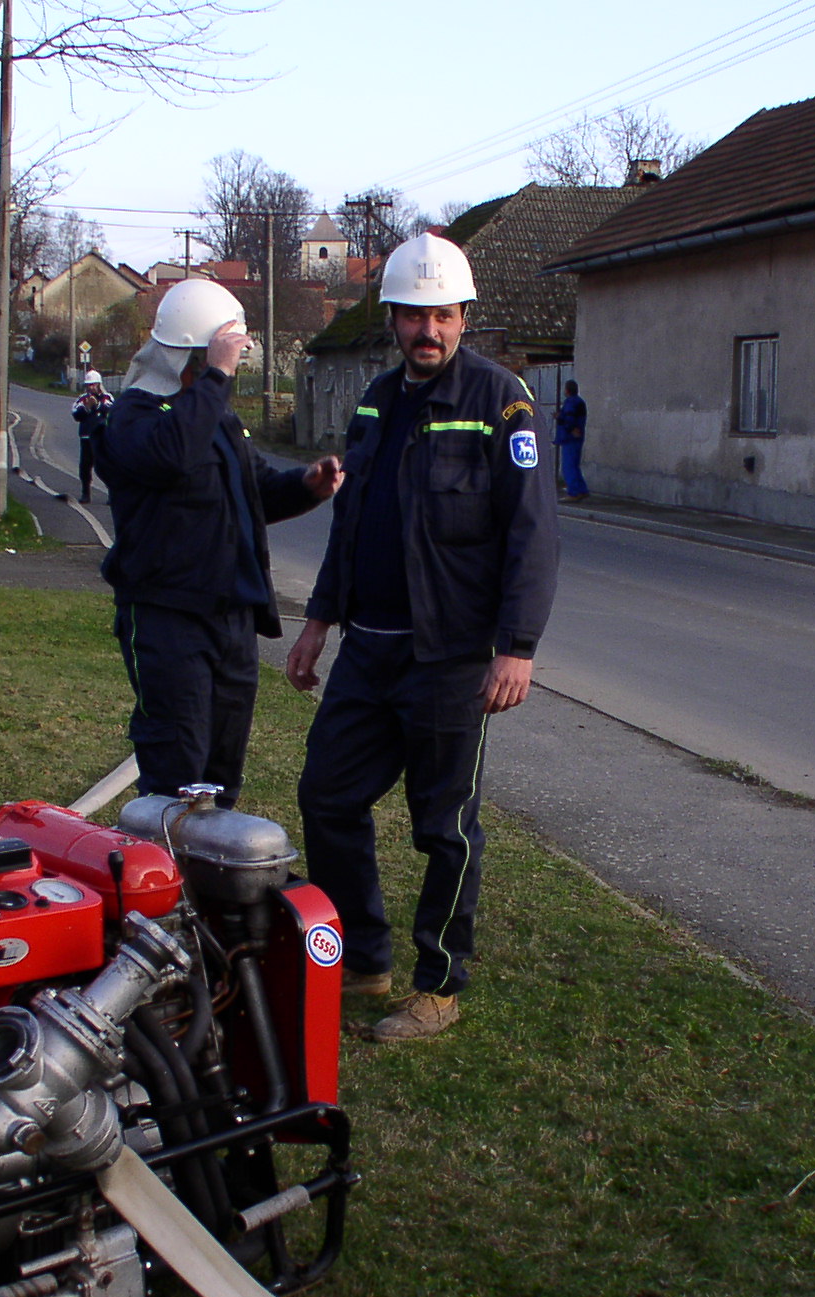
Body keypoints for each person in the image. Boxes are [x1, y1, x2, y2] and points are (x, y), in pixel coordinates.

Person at [284, 233, 560, 1043]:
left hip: (451, 657)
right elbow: (352, 525)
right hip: (368, 649)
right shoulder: (374, 401)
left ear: (464, 317)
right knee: (327, 796)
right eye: (413, 316)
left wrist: (518, 645)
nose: (427, 331)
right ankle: (363, 959)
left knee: (444, 827)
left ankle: (438, 984)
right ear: (394, 319)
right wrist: (317, 622)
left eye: (443, 315)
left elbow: (533, 533)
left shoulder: (502, 402)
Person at [96, 280, 344, 806]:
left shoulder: (215, 416)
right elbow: (172, 456)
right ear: (186, 355)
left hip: (231, 620)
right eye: (212, 358)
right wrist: (217, 375)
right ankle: (169, 879)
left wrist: (306, 486)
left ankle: (214, 878)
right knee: (176, 771)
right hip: (168, 618)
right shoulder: (135, 416)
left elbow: (251, 493)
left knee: (221, 775)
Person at [71, 370, 114, 504]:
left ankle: (111, 494)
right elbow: (76, 415)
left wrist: (98, 405)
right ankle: (85, 493)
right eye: (89, 385)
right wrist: (87, 407)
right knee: (85, 466)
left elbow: (112, 410)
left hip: (102, 437)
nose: (91, 387)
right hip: (86, 437)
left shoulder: (107, 397)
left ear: (99, 384)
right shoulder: (82, 399)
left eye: (93, 384)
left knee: (104, 466)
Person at [554, 379, 589, 501]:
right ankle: (582, 490)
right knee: (574, 465)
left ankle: (573, 492)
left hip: (570, 438)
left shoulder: (571, 402)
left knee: (568, 467)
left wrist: (561, 419)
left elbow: (569, 419)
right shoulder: (579, 402)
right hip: (575, 438)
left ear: (567, 390)